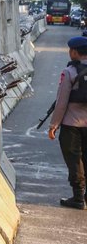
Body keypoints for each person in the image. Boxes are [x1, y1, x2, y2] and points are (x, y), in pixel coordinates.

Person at [48, 35, 87, 209]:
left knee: (74, 160)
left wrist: (53, 125)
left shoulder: (69, 72)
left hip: (72, 125)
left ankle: (78, 198)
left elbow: (61, 102)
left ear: (74, 52)